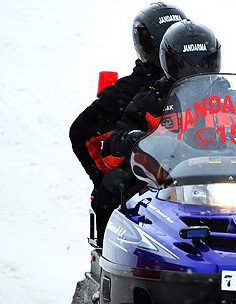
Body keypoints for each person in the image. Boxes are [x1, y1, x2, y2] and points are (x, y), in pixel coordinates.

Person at [68, 3, 187, 246]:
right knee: (112, 190)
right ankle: (109, 263)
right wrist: (102, 175)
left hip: (199, 180)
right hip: (146, 184)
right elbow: (80, 133)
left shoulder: (208, 89)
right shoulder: (128, 92)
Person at [94, 19, 222, 241]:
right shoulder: (148, 103)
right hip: (161, 185)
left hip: (224, 183)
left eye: (203, 62)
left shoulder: (231, 99)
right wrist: (130, 139)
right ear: (169, 61)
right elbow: (111, 150)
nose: (196, 70)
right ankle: (112, 257)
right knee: (112, 191)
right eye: (187, 63)